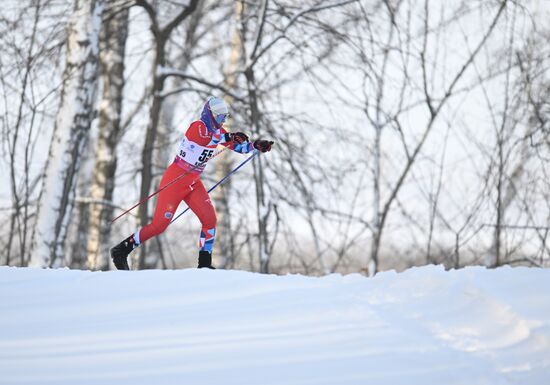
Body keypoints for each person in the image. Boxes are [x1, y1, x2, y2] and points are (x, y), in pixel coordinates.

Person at [110, 97, 273, 270]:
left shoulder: (218, 132)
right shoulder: (198, 127)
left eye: (224, 118)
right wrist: (230, 136)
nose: (222, 121)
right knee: (159, 226)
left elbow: (237, 146)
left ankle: (204, 265)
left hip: (193, 182)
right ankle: (121, 250)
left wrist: (256, 145)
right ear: (210, 115)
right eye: (219, 117)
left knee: (210, 220)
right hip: (175, 180)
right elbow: (206, 140)